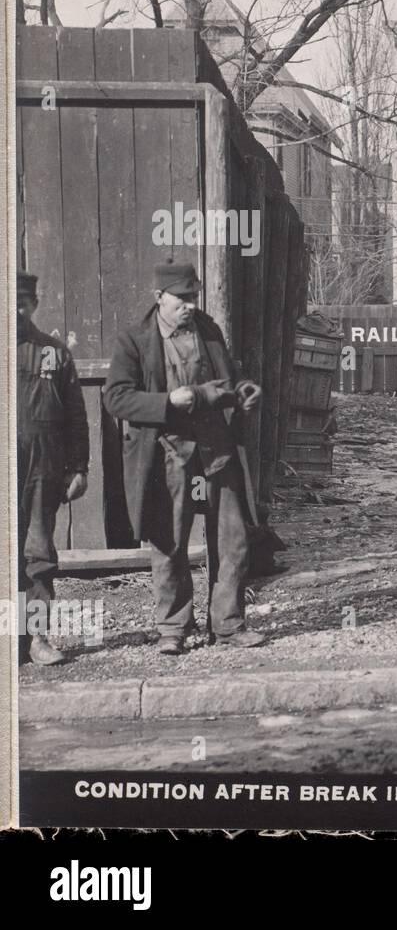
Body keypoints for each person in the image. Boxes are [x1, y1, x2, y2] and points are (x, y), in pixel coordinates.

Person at [103, 261, 266, 655]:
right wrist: (165, 402)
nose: (189, 305)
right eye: (181, 298)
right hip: (168, 454)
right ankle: (173, 628)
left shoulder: (208, 330)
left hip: (215, 450)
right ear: (159, 297)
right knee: (169, 541)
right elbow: (116, 397)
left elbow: (228, 380)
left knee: (233, 539)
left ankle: (228, 626)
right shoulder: (135, 339)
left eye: (193, 297)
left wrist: (243, 391)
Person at [16, 270, 89, 666]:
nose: (17, 309)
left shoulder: (54, 353)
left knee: (39, 553)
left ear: (35, 304)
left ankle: (37, 639)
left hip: (43, 470)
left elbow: (77, 416)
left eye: (24, 302)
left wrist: (79, 467)